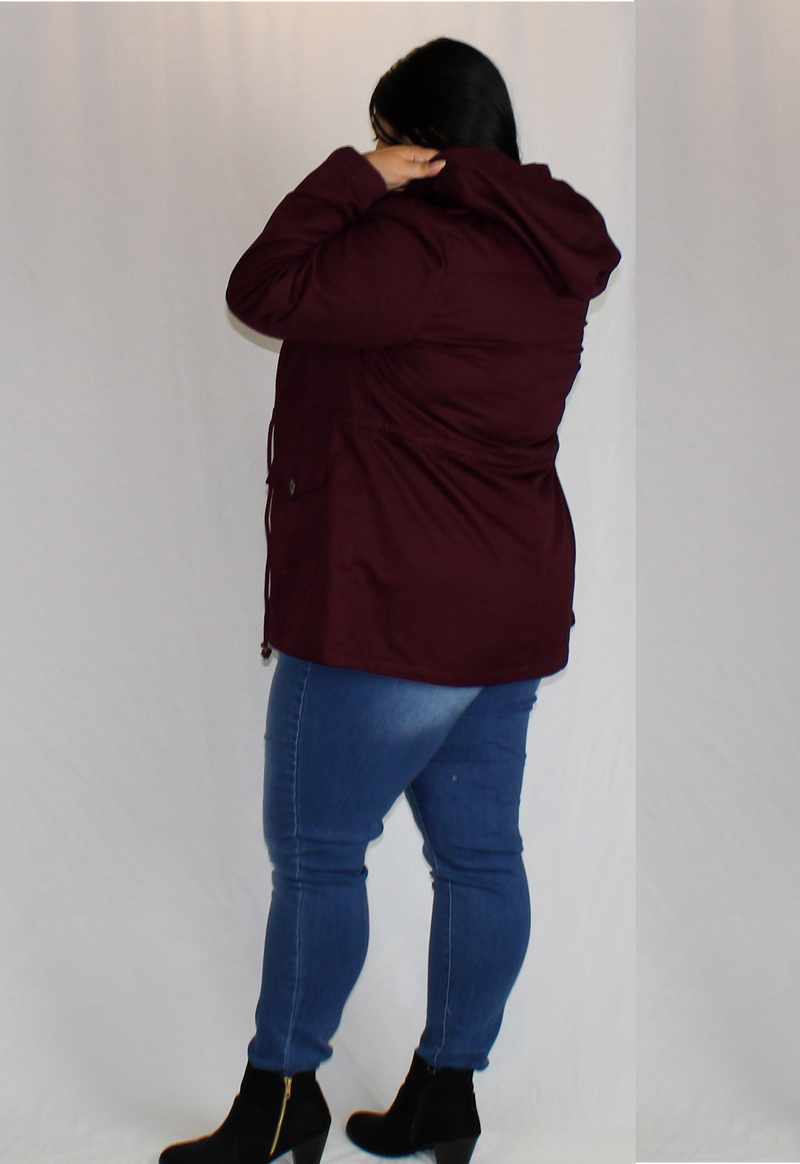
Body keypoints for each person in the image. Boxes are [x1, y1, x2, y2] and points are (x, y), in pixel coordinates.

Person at [159, 36, 620, 1164]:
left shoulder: (412, 246)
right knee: (480, 858)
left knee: (320, 856)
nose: (374, 155)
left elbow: (261, 289)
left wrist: (352, 178)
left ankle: (279, 1100)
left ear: (417, 140)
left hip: (387, 614)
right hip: (507, 613)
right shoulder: (547, 253)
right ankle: (445, 1095)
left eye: (383, 135)